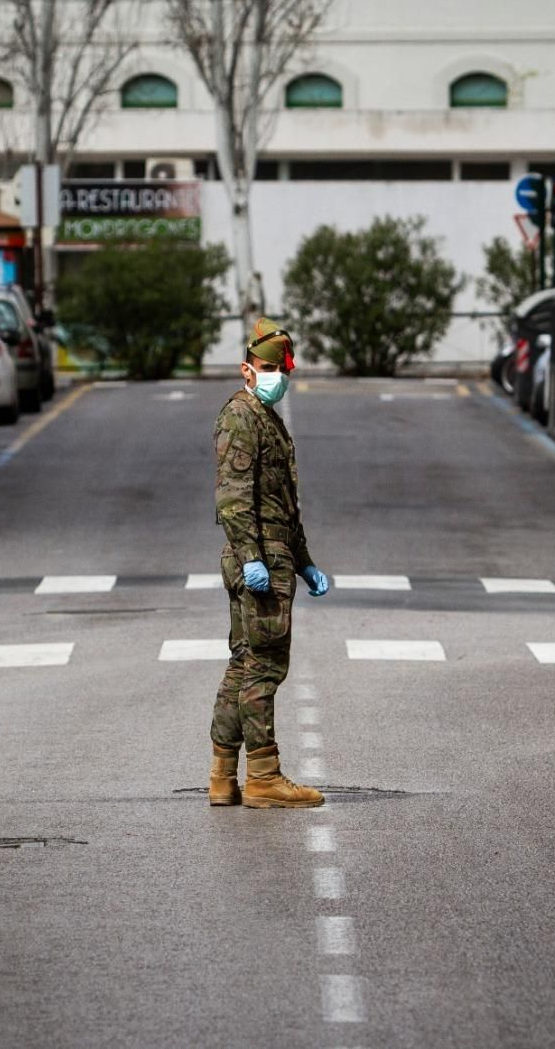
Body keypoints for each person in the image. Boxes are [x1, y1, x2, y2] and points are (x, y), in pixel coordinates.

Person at [208, 318, 330, 810]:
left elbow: (279, 501)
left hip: (271, 556)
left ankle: (222, 775)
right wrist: (256, 559)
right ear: (247, 370)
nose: (277, 374)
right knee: (265, 668)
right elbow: (234, 499)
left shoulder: (263, 416)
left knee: (243, 666)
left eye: (281, 368)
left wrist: (304, 562)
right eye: (268, 367)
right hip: (257, 562)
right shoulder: (243, 416)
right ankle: (263, 775)